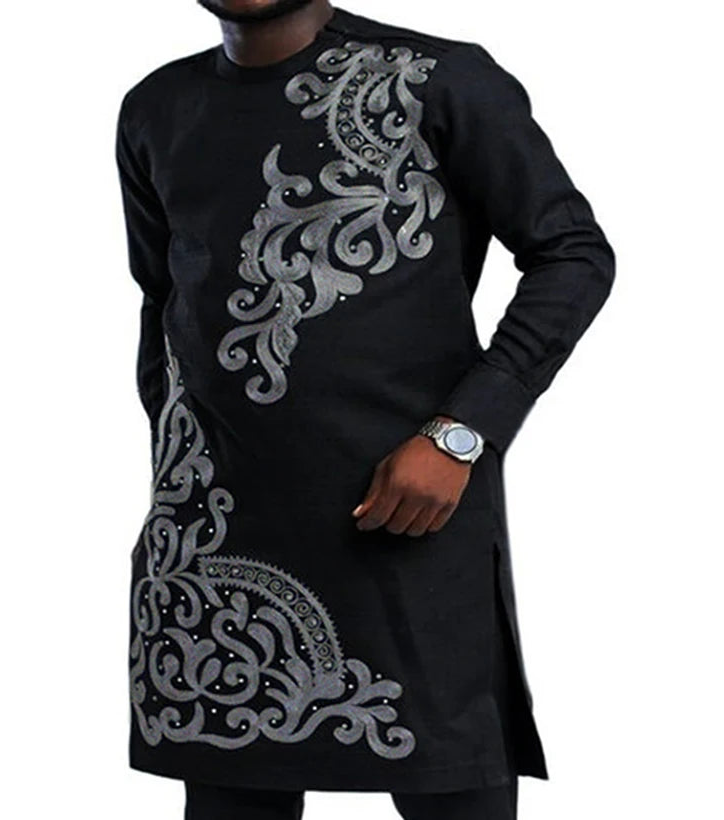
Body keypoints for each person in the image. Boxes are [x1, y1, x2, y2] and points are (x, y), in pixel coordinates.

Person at [114, 1, 615, 817]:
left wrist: (461, 435)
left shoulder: (437, 81)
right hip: (213, 550)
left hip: (405, 522)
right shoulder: (156, 107)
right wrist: (176, 458)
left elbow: (573, 255)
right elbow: (161, 297)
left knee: (453, 791)